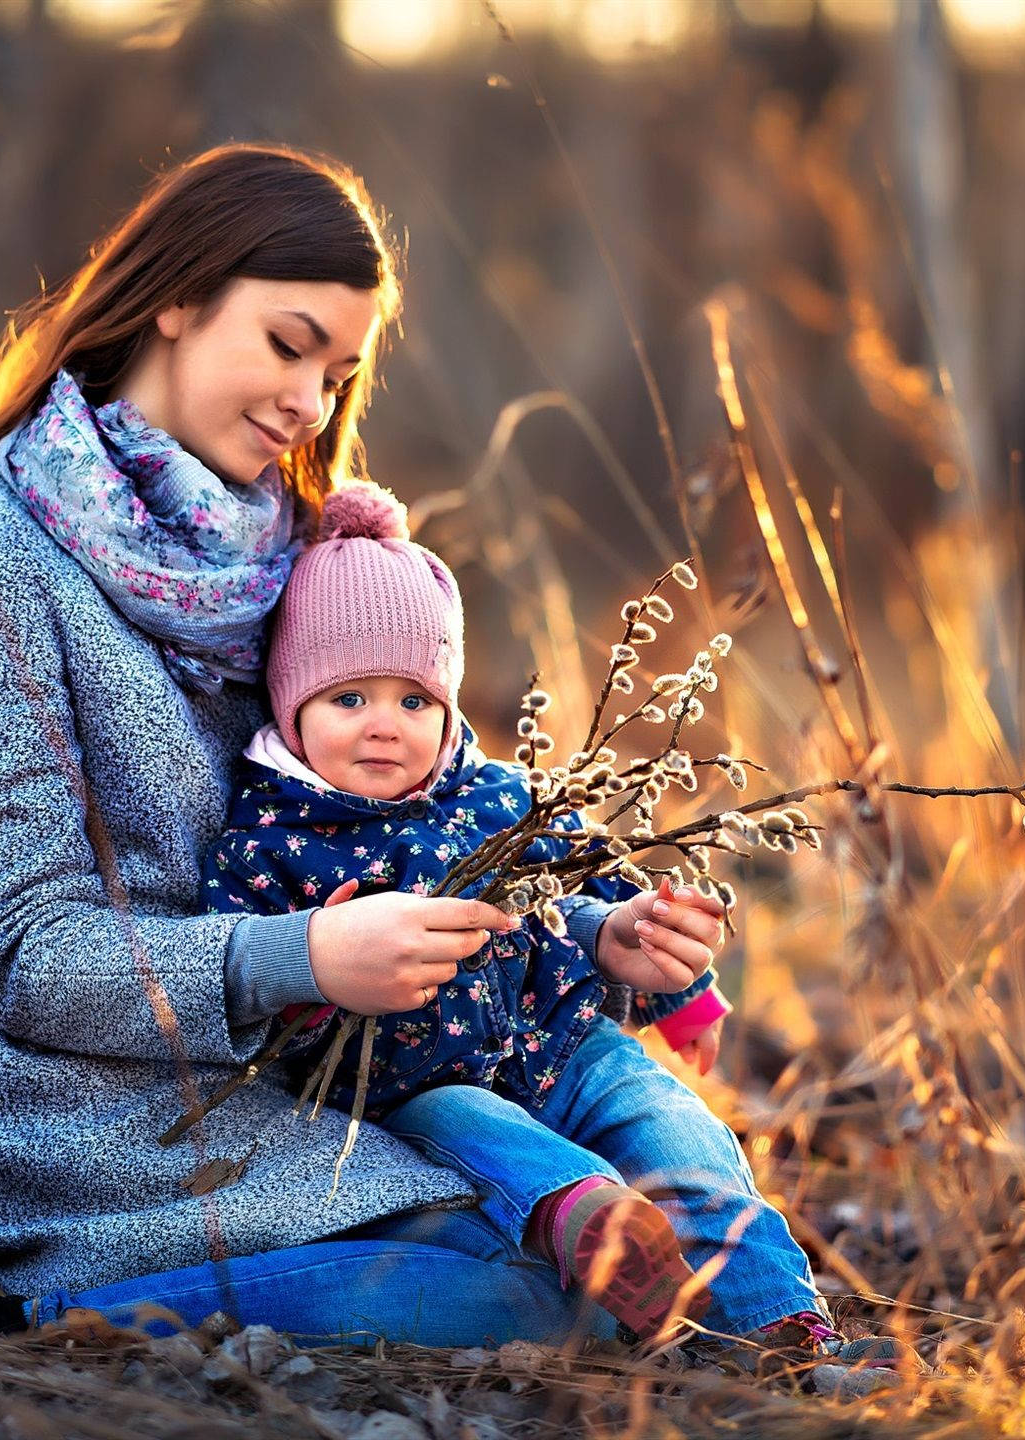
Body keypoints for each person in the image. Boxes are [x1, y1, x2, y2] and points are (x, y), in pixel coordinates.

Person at [0, 144, 602, 1347]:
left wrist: (600, 922)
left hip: (341, 1096)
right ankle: (69, 1312)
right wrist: (301, 957)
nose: (309, 405)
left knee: (653, 1204)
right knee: (555, 1297)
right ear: (176, 296)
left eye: (338, 371)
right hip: (91, 1143)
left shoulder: (308, 561)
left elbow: (427, 798)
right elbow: (19, 951)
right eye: (287, 345)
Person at [199, 481, 841, 1350]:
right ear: (291, 704)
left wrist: (666, 979)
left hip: (568, 1044)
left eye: (414, 700)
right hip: (412, 1087)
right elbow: (241, 986)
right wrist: (314, 973)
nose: (385, 725)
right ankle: (595, 1227)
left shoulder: (499, 797)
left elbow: (589, 890)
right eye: (350, 699)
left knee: (681, 1131)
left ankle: (786, 1324)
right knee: (484, 1132)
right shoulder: (266, 837)